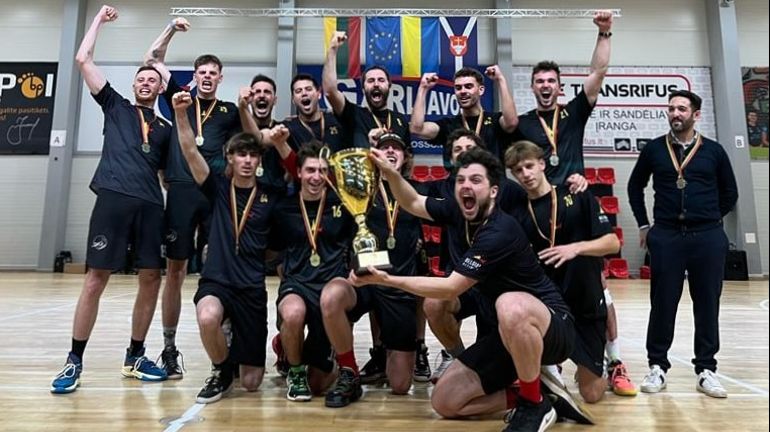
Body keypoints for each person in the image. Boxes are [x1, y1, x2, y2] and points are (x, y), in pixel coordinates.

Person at [352, 147, 587, 431]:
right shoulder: (456, 211)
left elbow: (451, 288)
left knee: (510, 304)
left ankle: (533, 405)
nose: (466, 185)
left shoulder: (500, 230)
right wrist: (390, 174)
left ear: (493, 191)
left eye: (476, 180)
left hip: (551, 328)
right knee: (445, 402)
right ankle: (541, 396)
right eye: (461, 179)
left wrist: (387, 280)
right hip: (505, 333)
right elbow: (412, 201)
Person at [51, 5, 170, 394]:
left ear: (160, 88)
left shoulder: (168, 128)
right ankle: (73, 361)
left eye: (152, 79)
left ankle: (135, 355)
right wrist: (99, 19)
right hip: (113, 200)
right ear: (134, 84)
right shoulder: (115, 105)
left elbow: (169, 177)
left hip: (151, 205)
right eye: (140, 77)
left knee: (151, 278)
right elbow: (82, 58)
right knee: (94, 279)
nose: (145, 82)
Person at [144, 18, 242, 380]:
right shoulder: (178, 100)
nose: (206, 77)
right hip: (182, 192)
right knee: (176, 270)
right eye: (201, 71)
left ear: (220, 78)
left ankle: (228, 335)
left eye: (212, 73)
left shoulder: (230, 111)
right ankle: (169, 348)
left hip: (216, 194)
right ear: (195, 75)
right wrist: (169, 28)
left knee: (222, 267)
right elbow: (151, 58)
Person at [505, 140, 637, 402]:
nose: (526, 174)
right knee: (553, 392)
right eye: (518, 170)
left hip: (585, 299)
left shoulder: (576, 194)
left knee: (591, 395)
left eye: (529, 166)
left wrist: (574, 248)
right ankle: (550, 365)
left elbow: (612, 243)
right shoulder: (518, 212)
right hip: (551, 305)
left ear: (542, 164)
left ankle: (607, 365)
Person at [627, 89, 739, 399]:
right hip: (666, 236)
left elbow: (731, 192)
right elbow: (635, 186)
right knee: (662, 303)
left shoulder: (714, 151)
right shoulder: (654, 150)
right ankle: (657, 366)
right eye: (672, 108)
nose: (676, 113)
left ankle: (706, 369)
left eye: (682, 109)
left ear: (695, 114)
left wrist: (710, 216)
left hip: (708, 237)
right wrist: (643, 224)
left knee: (707, 304)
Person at [171, 91, 279, 403]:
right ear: (229, 157)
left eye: (252, 155)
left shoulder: (270, 196)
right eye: (240, 154)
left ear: (258, 160)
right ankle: (220, 368)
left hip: (251, 288)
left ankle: (232, 336)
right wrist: (180, 114)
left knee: (251, 383)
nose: (246, 160)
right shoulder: (217, 187)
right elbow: (191, 151)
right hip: (217, 281)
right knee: (207, 317)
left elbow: (275, 248)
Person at [319, 133, 423, 406]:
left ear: (406, 157)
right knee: (331, 296)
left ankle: (385, 355)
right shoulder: (357, 189)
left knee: (400, 385)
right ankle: (349, 371)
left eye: (396, 148)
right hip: (362, 281)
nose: (390, 151)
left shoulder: (416, 193)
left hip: (398, 287)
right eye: (384, 148)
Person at [272, 142, 356, 402]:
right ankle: (295, 371)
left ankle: (288, 347)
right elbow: (274, 251)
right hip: (297, 284)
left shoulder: (343, 206)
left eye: (322, 171)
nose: (316, 177)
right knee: (293, 313)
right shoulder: (283, 208)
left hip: (330, 289)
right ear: (298, 172)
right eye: (310, 170)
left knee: (319, 385)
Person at [512, 10, 613, 185]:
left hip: (574, 193)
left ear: (559, 88)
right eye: (540, 81)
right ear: (532, 87)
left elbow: (598, 72)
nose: (545, 85)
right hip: (539, 199)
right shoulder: (522, 123)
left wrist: (604, 32)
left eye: (551, 81)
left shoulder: (574, 112)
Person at [410, 65, 518, 167]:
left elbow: (512, 122)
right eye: (458, 88)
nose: (462, 91)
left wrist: (500, 80)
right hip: (460, 184)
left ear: (481, 90)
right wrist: (423, 88)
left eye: (468, 86)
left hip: (492, 183)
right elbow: (417, 129)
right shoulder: (449, 125)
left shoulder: (495, 120)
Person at [322, 31, 410, 149]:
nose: (376, 84)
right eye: (370, 81)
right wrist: (333, 49)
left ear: (389, 86)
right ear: (363, 89)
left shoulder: (401, 120)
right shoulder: (353, 113)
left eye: (381, 80)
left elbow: (408, 158)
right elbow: (330, 92)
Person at [284, 73, 345, 152]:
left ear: (319, 94)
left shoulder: (336, 120)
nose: (304, 93)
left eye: (308, 89)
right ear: (293, 100)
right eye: (298, 91)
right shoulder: (288, 128)